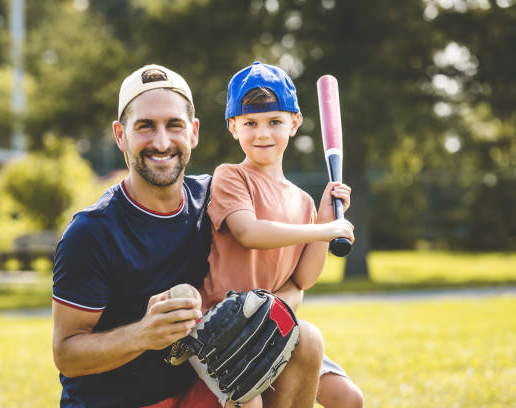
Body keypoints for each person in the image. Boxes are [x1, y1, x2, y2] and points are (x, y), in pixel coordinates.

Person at [51, 64, 324, 408]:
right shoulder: (91, 232)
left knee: (306, 342)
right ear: (121, 135)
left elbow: (290, 277)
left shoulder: (217, 198)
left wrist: (325, 219)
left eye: (174, 125)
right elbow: (66, 353)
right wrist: (143, 334)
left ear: (193, 132)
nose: (162, 142)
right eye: (146, 126)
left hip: (194, 391)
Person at [199, 61, 364, 408]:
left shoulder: (302, 203)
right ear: (233, 127)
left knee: (348, 399)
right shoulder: (231, 176)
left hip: (273, 328)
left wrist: (321, 217)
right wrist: (322, 227)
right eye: (250, 124)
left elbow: (302, 278)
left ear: (295, 123)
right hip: (224, 331)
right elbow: (248, 232)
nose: (262, 133)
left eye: (275, 121)